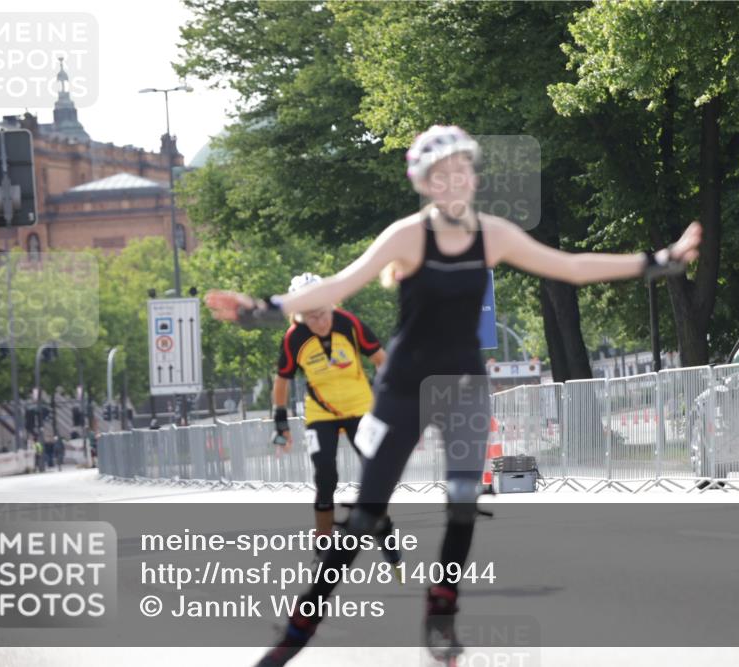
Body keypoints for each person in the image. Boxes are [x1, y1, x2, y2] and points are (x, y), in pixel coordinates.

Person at [205, 124, 701, 667]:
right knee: (367, 515)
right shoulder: (407, 236)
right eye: (439, 175)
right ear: (424, 184)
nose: (452, 181)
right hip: (405, 388)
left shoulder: (495, 233)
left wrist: (658, 261)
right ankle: (297, 632)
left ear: (473, 175)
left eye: (461, 169)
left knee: (464, 499)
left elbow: (571, 267)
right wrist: (265, 308)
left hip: (464, 385)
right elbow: (338, 286)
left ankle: (440, 615)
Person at [272, 272, 402, 571]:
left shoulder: (349, 323)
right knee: (325, 477)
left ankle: (384, 530)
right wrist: (280, 422)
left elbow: (382, 360)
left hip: (360, 408)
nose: (320, 321)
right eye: (311, 316)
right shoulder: (294, 338)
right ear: (299, 316)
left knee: (376, 475)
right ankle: (322, 547)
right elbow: (281, 381)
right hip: (321, 415)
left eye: (324, 311)